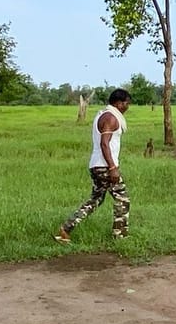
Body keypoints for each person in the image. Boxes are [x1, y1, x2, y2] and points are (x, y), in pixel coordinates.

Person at [54, 88, 133, 243]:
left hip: (96, 165)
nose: (127, 107)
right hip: (105, 166)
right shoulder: (110, 118)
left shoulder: (103, 115)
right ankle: (120, 237)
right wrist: (112, 168)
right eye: (126, 103)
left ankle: (66, 229)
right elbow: (105, 144)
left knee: (96, 199)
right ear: (118, 103)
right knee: (122, 199)